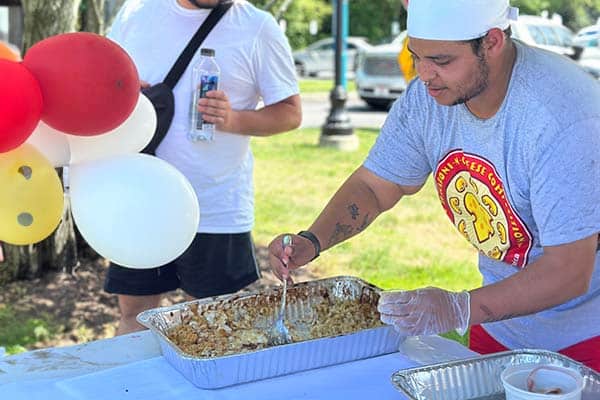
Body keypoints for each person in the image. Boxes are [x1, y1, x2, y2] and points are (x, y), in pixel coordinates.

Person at [269, 0, 600, 371]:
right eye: (416, 56)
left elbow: (570, 271)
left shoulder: (561, 115)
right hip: (499, 323)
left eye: (442, 60)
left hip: (586, 336)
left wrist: (459, 308)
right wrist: (311, 240)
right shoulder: (428, 98)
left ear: (492, 41)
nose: (424, 74)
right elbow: (376, 186)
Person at [105, 0, 302, 335]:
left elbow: (290, 112)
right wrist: (124, 95)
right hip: (139, 200)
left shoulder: (258, 27)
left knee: (212, 325)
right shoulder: (136, 12)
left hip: (214, 206)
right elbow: (104, 82)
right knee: (134, 315)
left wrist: (234, 119)